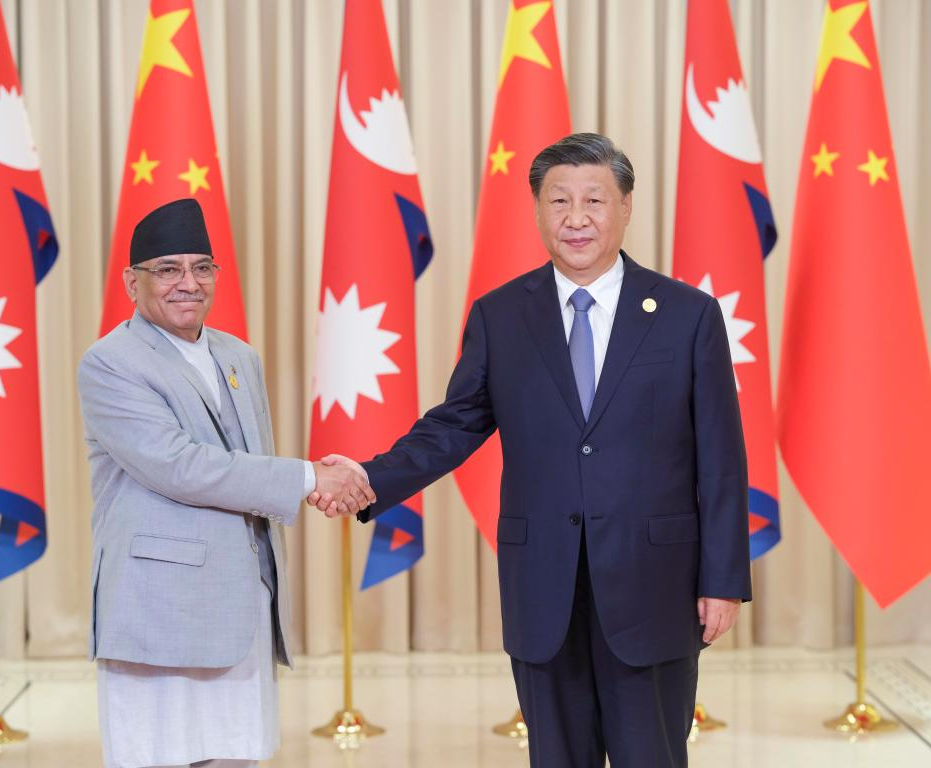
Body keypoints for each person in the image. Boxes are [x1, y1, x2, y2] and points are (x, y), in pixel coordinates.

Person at [313, 133, 752, 767]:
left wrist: (723, 580)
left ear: (626, 206)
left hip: (654, 584)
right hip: (544, 587)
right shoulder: (500, 316)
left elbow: (722, 458)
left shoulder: (688, 315)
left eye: (594, 200)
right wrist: (370, 477)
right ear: (538, 210)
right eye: (559, 200)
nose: (577, 218)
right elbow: (454, 425)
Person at [79, 198, 371, 768]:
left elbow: (248, 469)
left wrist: (317, 479)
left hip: (240, 605)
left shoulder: (239, 356)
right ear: (132, 282)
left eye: (201, 268)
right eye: (168, 269)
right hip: (158, 611)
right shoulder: (110, 362)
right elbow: (179, 466)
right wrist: (310, 476)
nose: (188, 283)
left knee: (236, 756)